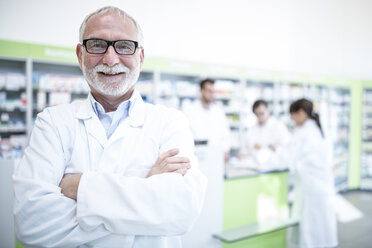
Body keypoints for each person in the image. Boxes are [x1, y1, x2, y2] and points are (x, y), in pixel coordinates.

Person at [13, 6, 207, 248]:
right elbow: (31, 225)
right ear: (80, 54)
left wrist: (80, 186)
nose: (111, 59)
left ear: (141, 56)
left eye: (124, 46)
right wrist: (146, 195)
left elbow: (181, 210)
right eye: (96, 45)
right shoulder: (52, 122)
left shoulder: (170, 122)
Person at [273, 98, 338, 248]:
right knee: (322, 222)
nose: (292, 119)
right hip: (324, 184)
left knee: (311, 225)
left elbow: (288, 157)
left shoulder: (303, 133)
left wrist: (270, 154)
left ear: (301, 113)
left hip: (311, 186)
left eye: (293, 115)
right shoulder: (320, 129)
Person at [182, 79, 231, 163]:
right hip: (196, 156)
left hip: (216, 156)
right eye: (209, 91)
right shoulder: (190, 111)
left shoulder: (218, 112)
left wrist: (226, 150)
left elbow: (225, 134)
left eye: (213, 91)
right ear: (201, 91)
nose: (212, 94)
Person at [242, 99, 290, 165]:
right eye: (257, 114)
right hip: (256, 166)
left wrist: (275, 148)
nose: (260, 117)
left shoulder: (278, 127)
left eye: (262, 113)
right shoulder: (252, 130)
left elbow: (287, 147)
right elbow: (246, 148)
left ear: (268, 110)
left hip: (275, 165)